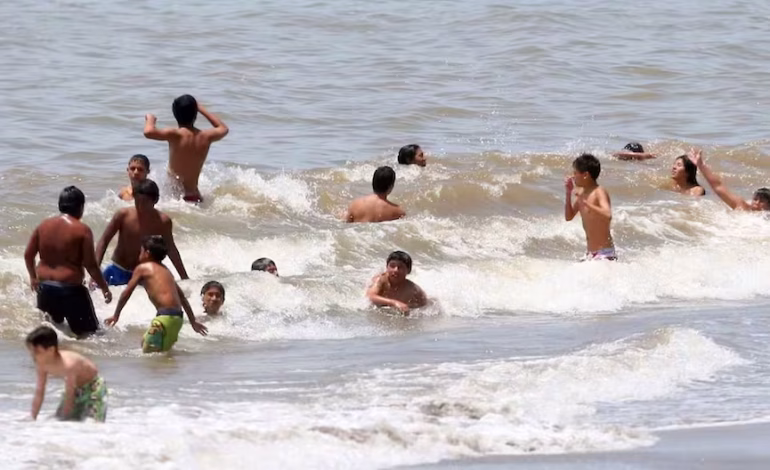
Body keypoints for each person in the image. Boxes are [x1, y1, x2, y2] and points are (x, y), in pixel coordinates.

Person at [24, 186, 111, 337]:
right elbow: (90, 265)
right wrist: (104, 288)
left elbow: (28, 255)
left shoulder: (43, 226)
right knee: (92, 337)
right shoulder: (82, 230)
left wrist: (33, 277)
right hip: (71, 291)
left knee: (53, 334)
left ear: (60, 205)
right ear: (81, 207)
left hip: (45, 289)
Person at [105, 236, 207, 353]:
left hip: (164, 319)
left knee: (149, 356)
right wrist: (193, 321)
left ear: (147, 253)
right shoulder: (167, 271)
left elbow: (127, 292)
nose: (139, 254)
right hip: (177, 320)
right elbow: (182, 298)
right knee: (156, 352)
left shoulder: (142, 268)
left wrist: (116, 315)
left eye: (141, 251)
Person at [95, 179, 188, 286]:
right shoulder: (123, 215)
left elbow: (171, 248)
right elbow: (104, 241)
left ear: (155, 200)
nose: (140, 206)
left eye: (144, 202)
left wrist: (184, 277)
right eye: (137, 201)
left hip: (144, 272)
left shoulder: (163, 221)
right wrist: (95, 272)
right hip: (119, 269)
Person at [143, 95, 229, 203]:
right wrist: (201, 108)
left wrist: (150, 119)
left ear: (175, 114)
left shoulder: (175, 135)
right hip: (195, 196)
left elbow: (148, 132)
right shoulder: (205, 136)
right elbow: (223, 128)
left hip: (176, 197)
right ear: (195, 114)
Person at [26, 325, 108, 422]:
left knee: (91, 422)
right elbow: (40, 391)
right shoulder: (42, 365)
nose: (33, 356)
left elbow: (70, 395)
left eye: (37, 352)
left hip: (94, 388)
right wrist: (33, 416)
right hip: (76, 389)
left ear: (51, 350)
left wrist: (65, 423)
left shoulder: (68, 365)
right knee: (58, 418)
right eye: (31, 352)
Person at [564, 153, 617, 260]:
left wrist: (587, 203)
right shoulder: (582, 193)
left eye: (575, 173)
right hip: (590, 254)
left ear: (585, 175)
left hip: (605, 253)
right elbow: (568, 217)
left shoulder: (599, 191)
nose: (573, 176)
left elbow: (607, 215)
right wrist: (568, 193)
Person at [690, 148, 770, 211]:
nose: (757, 203)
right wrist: (701, 166)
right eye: (755, 199)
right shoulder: (742, 207)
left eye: (762, 201)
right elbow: (718, 186)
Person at [367, 251, 428, 315]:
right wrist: (394, 303)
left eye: (400, 267)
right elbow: (370, 296)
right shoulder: (381, 280)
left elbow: (424, 304)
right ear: (387, 267)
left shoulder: (413, 289)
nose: (396, 270)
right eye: (392, 266)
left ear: (408, 270)